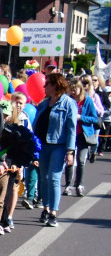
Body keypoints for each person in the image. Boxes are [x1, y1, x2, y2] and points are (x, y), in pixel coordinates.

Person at [35, 73, 79, 227]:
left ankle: (53, 212)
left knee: (54, 178)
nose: (44, 86)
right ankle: (45, 208)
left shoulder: (68, 103)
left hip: (59, 146)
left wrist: (70, 151)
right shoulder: (44, 103)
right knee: (44, 178)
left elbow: (71, 128)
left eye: (47, 84)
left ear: (56, 85)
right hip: (43, 145)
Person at [63, 79, 100, 196]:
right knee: (69, 160)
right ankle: (68, 185)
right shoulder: (68, 100)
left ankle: (78, 184)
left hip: (83, 134)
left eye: (75, 90)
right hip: (71, 134)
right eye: (71, 90)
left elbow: (94, 119)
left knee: (81, 160)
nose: (73, 92)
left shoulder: (87, 101)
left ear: (81, 89)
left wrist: (81, 117)